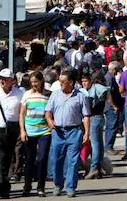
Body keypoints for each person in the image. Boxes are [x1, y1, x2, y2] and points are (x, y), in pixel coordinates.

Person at [45, 68, 91, 198]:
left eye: (63, 82)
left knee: (73, 161)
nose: (60, 84)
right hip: (58, 132)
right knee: (56, 159)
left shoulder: (81, 96)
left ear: (71, 82)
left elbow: (86, 116)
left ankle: (70, 187)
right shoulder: (55, 95)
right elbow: (48, 111)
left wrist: (86, 133)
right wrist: (49, 120)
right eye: (60, 82)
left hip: (74, 131)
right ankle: (58, 184)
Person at [0, 69, 23, 199]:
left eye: (5, 78)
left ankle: (3, 182)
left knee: (8, 157)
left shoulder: (19, 94)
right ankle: (2, 185)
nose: (2, 81)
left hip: (12, 128)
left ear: (12, 81)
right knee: (0, 156)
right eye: (0, 78)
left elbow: (20, 111)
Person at [19, 71, 51, 197]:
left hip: (45, 131)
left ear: (41, 81)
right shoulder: (27, 95)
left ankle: (41, 187)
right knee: (29, 160)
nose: (33, 84)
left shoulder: (48, 95)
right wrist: (22, 130)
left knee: (42, 159)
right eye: (31, 82)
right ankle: (27, 186)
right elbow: (22, 114)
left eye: (36, 82)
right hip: (30, 131)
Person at [81, 71, 109, 179]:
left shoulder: (94, 90)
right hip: (99, 117)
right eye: (82, 81)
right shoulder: (94, 89)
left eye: (86, 81)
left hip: (95, 117)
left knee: (95, 144)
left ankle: (94, 168)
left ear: (91, 81)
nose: (84, 83)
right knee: (99, 143)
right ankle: (99, 167)